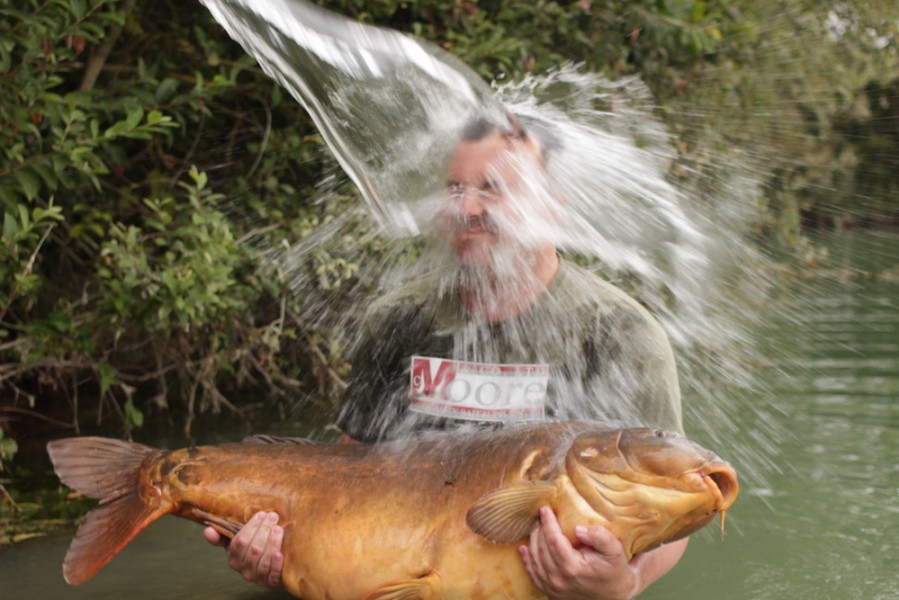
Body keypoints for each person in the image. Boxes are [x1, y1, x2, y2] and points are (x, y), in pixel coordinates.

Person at [205, 114, 688, 599]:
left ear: (553, 209)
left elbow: (672, 505)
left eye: (492, 188)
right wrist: (292, 554)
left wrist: (624, 582)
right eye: (454, 188)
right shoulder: (399, 320)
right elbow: (347, 482)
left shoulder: (617, 334)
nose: (467, 207)